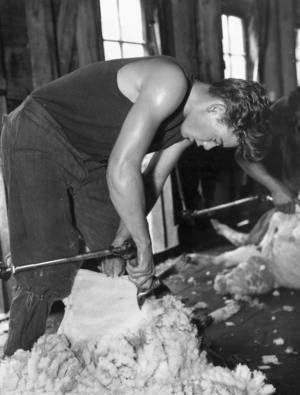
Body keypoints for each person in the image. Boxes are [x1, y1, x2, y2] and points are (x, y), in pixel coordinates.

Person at [1, 55, 271, 356]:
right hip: (38, 130)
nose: (207, 146)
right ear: (216, 108)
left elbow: (153, 178)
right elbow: (121, 167)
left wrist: (124, 239)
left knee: (119, 255)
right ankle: (18, 368)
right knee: (43, 265)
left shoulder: (188, 128)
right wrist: (144, 242)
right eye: (216, 140)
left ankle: (153, 350)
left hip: (88, 156)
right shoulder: (169, 81)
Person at [211, 87, 300, 246]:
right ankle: (254, 241)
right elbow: (245, 151)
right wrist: (276, 188)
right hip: (294, 180)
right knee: (288, 212)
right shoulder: (285, 109)